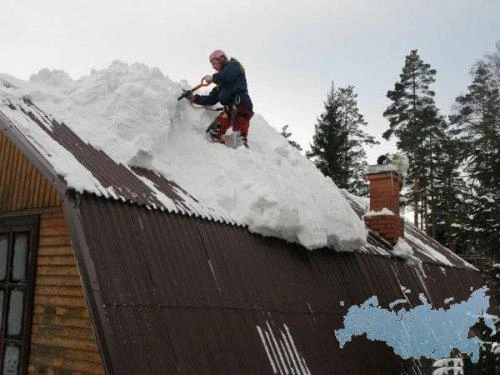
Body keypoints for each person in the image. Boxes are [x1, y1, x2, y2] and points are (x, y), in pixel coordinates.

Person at [188, 50, 254, 147]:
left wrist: (212, 78)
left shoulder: (235, 65)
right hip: (228, 110)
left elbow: (226, 75)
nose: (213, 66)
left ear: (221, 58)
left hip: (241, 106)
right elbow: (211, 99)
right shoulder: (220, 84)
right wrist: (194, 98)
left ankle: (244, 153)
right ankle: (222, 150)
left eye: (214, 63)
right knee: (212, 132)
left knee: (239, 139)